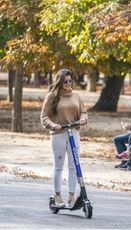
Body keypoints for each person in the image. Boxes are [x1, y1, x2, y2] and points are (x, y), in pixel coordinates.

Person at [40, 69, 88, 208]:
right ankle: (58, 196)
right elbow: (44, 116)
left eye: (69, 81)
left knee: (73, 166)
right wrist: (53, 125)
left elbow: (83, 113)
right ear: (59, 82)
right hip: (58, 134)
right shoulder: (52, 97)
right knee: (59, 167)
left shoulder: (76, 96)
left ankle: (72, 197)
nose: (68, 83)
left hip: (73, 132)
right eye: (65, 81)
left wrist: (83, 120)